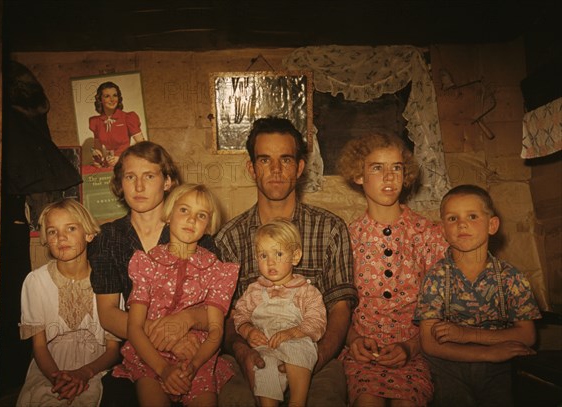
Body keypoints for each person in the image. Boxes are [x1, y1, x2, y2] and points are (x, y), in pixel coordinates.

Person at [215, 116, 357, 407]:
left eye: (286, 160)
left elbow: (340, 308)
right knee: (235, 401)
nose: (276, 170)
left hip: (316, 355)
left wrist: (311, 361)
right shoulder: (229, 238)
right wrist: (244, 355)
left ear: (300, 167)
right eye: (265, 160)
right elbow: (226, 316)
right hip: (255, 354)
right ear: (252, 168)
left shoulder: (330, 229)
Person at [88, 141, 218, 406]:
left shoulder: (195, 234)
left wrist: (187, 321)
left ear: (167, 182)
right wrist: (165, 338)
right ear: (120, 183)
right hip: (140, 352)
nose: (138, 187)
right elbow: (108, 314)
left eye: (149, 176)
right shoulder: (108, 238)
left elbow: (218, 311)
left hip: (194, 348)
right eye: (130, 177)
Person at [337, 132, 448, 407]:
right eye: (377, 168)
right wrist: (353, 341)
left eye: (396, 168)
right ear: (358, 175)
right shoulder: (347, 237)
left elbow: (443, 307)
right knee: (366, 401)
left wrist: (411, 347)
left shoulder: (428, 234)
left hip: (416, 350)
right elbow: (338, 307)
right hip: (362, 354)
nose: (389, 177)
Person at [112, 183, 239, 406]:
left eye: (201, 215)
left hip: (198, 357)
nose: (191, 220)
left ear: (208, 226)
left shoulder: (218, 271)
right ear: (169, 215)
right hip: (149, 356)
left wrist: (193, 366)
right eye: (184, 210)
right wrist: (163, 369)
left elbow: (216, 330)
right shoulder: (146, 263)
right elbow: (134, 327)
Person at [415, 184, 541, 407]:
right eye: (452, 218)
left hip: (499, 366)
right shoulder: (435, 277)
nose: (462, 223)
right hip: (447, 365)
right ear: (442, 230)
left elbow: (527, 336)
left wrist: (467, 335)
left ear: (492, 225)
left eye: (472, 216)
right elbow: (429, 344)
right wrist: (486, 353)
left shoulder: (511, 277)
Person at [17, 199, 120, 406]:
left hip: (96, 368)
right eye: (53, 231)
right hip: (49, 367)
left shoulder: (109, 280)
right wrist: (57, 378)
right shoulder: (36, 281)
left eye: (71, 228)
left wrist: (85, 373)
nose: (61, 237)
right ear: (46, 239)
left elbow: (112, 350)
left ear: (89, 234)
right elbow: (39, 346)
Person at [234, 218, 327, 406]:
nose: (270, 262)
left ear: (295, 256)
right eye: (263, 255)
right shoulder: (254, 290)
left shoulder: (306, 291)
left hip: (295, 338)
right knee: (264, 365)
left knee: (299, 348)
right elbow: (240, 314)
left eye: (278, 253)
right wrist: (248, 331)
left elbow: (317, 320)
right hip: (266, 344)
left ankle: (297, 401)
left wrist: (294, 332)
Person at [89, 81, 145, 167]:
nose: (112, 99)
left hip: (126, 163)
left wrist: (122, 158)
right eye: (107, 96)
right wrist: (98, 159)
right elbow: (98, 148)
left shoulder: (128, 118)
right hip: (109, 164)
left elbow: (143, 146)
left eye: (115, 95)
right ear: (100, 99)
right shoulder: (96, 122)